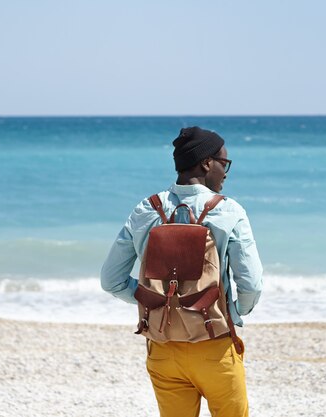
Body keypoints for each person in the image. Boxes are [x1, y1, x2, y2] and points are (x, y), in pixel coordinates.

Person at [101, 126, 263, 417]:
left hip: (162, 346)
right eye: (224, 163)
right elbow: (251, 284)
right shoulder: (229, 211)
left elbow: (111, 280)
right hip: (214, 346)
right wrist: (234, 313)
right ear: (206, 163)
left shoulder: (145, 209)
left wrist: (155, 300)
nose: (226, 172)